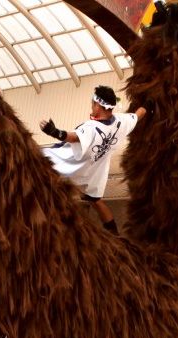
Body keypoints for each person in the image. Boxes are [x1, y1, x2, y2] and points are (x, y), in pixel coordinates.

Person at [38, 86, 147, 234]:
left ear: (98, 105)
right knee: (95, 201)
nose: (91, 106)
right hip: (93, 172)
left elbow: (73, 137)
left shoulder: (91, 128)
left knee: (39, 162)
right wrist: (148, 102)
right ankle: (115, 235)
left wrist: (54, 132)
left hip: (70, 164)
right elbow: (139, 114)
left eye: (92, 103)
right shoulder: (121, 122)